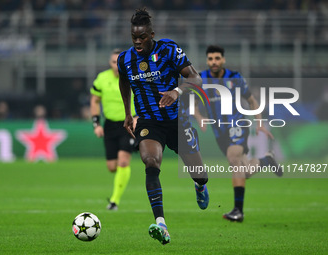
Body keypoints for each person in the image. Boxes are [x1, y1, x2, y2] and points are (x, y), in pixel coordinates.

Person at [118, 8, 209, 245]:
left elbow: (196, 78)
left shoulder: (168, 49)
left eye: (142, 37)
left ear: (151, 34)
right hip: (148, 120)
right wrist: (128, 113)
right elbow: (124, 83)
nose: (138, 42)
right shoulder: (125, 59)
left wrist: (176, 91)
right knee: (150, 161)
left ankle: (199, 187)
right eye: (134, 37)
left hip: (177, 120)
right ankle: (161, 224)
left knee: (201, 175)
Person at [197, 45, 282, 222]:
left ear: (223, 60)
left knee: (234, 159)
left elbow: (251, 101)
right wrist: (199, 117)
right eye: (211, 59)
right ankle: (266, 159)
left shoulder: (235, 78)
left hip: (237, 125)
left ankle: (238, 211)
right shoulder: (201, 79)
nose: (214, 62)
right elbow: (193, 102)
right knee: (245, 171)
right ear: (207, 61)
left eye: (217, 58)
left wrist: (259, 123)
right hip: (219, 132)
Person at [90, 49, 137, 211]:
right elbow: (95, 100)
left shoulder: (133, 76)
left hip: (129, 124)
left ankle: (114, 201)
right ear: (109, 64)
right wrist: (96, 124)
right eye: (113, 62)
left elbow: (144, 97)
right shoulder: (102, 78)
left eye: (119, 62)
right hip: (110, 125)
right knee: (112, 167)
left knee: (123, 161)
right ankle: (122, 177)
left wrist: (138, 117)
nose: (116, 66)